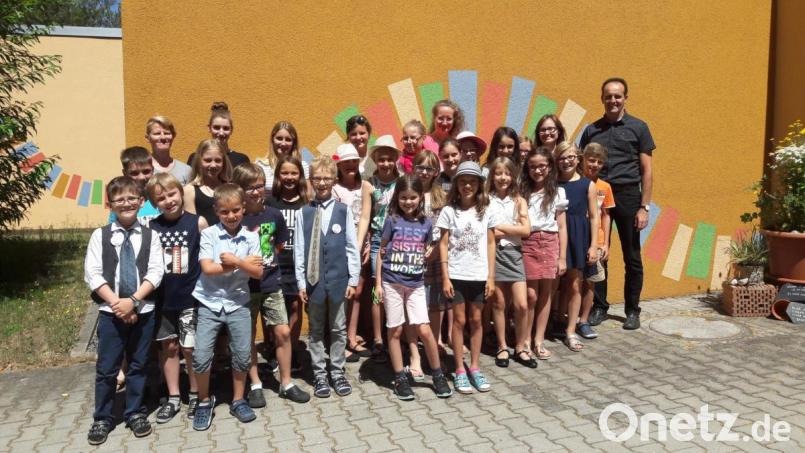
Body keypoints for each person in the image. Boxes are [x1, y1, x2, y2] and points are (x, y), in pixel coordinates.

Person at [84, 176, 164, 445]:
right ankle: (103, 418)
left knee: (139, 365)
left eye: (132, 198)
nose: (126, 203)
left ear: (141, 202)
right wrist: (118, 304)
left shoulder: (151, 235)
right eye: (120, 199)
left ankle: (135, 412)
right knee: (107, 368)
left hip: (143, 309)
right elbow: (93, 274)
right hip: (110, 312)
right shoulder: (101, 235)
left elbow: (155, 271)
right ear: (109, 204)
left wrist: (133, 301)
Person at [579, 77, 655, 330]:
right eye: (608, 96)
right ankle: (600, 307)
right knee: (600, 253)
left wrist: (644, 207)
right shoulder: (592, 130)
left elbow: (647, 170)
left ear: (625, 98)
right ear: (602, 98)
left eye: (618, 96)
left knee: (632, 256)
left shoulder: (639, 127)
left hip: (628, 196)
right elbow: (583, 165)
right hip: (598, 196)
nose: (613, 100)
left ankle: (632, 310)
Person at [234, 164, 310, 405]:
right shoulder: (236, 218)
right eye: (249, 188)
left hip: (271, 284)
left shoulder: (274, 215)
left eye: (258, 186)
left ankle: (286, 382)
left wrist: (268, 265)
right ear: (239, 190)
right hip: (243, 287)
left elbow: (278, 245)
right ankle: (255, 383)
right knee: (247, 336)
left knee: (283, 332)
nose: (256, 192)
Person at [191, 184, 264, 431]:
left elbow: (258, 272)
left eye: (236, 210)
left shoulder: (252, 237)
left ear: (243, 208)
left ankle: (238, 399)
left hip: (238, 302)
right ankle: (203, 401)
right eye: (225, 212)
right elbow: (208, 269)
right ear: (216, 211)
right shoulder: (209, 235)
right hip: (209, 302)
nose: (231, 216)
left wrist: (235, 261)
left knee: (242, 355)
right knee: (201, 356)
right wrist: (242, 264)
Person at [374, 175, 453, 400]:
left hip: (416, 283)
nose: (408, 202)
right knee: (395, 329)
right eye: (404, 198)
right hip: (392, 282)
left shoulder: (426, 223)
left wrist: (431, 251)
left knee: (424, 329)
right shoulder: (391, 220)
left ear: (420, 198)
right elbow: (381, 252)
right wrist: (378, 284)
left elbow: (429, 247)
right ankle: (399, 377)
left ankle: (437, 375)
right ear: (397, 198)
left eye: (413, 198)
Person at [294, 157, 361, 398]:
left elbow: (352, 246)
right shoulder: (305, 212)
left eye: (326, 178)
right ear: (311, 181)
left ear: (334, 180)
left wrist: (353, 279)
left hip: (339, 280)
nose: (322, 183)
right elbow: (299, 248)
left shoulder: (343, 211)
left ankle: (337, 370)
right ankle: (319, 373)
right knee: (316, 328)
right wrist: (301, 282)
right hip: (313, 282)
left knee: (338, 327)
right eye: (317, 178)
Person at [146, 173, 208, 423]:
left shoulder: (198, 223)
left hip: (190, 298)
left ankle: (194, 393)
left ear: (181, 193)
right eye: (161, 198)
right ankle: (173, 396)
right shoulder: (151, 228)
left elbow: (207, 258)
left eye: (172, 194)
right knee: (168, 347)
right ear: (154, 202)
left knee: (190, 348)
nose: (168, 200)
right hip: (162, 299)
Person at [436, 161, 497, 394]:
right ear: (456, 184)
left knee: (477, 320)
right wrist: (445, 277)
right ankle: (459, 369)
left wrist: (491, 277)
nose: (467, 185)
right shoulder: (449, 211)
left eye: (472, 181)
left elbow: (491, 243)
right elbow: (442, 244)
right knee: (459, 321)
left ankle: (475, 367)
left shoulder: (486, 209)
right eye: (463, 181)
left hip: (479, 275)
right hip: (457, 275)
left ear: (479, 184)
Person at [356, 135, 401, 361]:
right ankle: (378, 340)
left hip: (400, 242)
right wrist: (358, 244)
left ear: (395, 159)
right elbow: (365, 216)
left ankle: (397, 334)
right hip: (377, 242)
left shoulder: (403, 181)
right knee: (377, 290)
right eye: (381, 159)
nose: (385, 163)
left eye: (389, 159)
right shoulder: (369, 184)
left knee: (399, 288)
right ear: (375, 159)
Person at [521, 147, 567, 361]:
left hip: (549, 242)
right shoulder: (522, 192)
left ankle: (539, 340)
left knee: (546, 294)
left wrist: (562, 257)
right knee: (530, 296)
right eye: (532, 166)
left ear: (549, 167)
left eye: (542, 166)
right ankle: (526, 339)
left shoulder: (557, 192)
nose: (537, 170)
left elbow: (562, 226)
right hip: (528, 242)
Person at [265, 156, 310, 371]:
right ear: (277, 176)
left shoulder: (306, 202)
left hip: (297, 265)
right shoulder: (270, 202)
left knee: (294, 307)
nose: (289, 177)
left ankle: (291, 351)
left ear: (300, 175)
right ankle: (275, 350)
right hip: (275, 265)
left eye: (294, 173)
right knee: (275, 310)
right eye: (285, 173)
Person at [486, 157, 530, 368]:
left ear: (513, 176)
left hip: (514, 254)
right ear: (492, 176)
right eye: (498, 173)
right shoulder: (486, 199)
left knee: (521, 304)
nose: (502, 178)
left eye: (507, 173)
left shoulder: (519, 200)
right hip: (494, 255)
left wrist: (501, 228)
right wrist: (506, 230)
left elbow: (526, 230)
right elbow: (487, 233)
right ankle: (502, 346)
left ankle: (520, 347)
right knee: (499, 303)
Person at [554, 142, 599, 352]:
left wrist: (594, 245)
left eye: (570, 156)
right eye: (562, 157)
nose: (566, 161)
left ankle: (570, 330)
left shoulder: (587, 184)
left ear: (578, 158)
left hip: (578, 236)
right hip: (554, 235)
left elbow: (594, 217)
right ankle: (550, 324)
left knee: (574, 284)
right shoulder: (551, 184)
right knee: (553, 285)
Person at [331, 143, 373, 361]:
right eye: (345, 162)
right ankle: (338, 340)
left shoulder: (365, 185)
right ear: (339, 165)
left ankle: (351, 337)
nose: (350, 165)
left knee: (358, 292)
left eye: (353, 162)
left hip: (362, 244)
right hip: (340, 247)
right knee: (341, 294)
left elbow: (367, 217)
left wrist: (363, 245)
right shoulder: (335, 188)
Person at [578, 143, 615, 340]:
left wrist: (606, 243)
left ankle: (584, 320)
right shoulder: (575, 182)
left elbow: (606, 215)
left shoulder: (605, 187)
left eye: (599, 162)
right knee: (574, 283)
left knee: (591, 283)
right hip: (577, 239)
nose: (594, 165)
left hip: (597, 240)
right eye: (591, 160)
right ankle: (567, 319)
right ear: (583, 159)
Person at [184, 139, 233, 227]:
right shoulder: (190, 190)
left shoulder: (230, 188)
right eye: (208, 160)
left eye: (218, 160)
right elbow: (191, 226)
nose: (213, 165)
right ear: (199, 161)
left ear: (224, 162)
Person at [186, 102, 249, 168]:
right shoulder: (196, 158)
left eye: (226, 128)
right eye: (216, 127)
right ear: (209, 128)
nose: (221, 133)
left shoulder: (241, 160)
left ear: (231, 130)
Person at [109, 146, 160, 226]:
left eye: (146, 171)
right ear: (125, 173)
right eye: (134, 173)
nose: (141, 177)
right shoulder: (121, 204)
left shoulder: (162, 197)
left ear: (153, 170)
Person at [255, 121, 310, 193]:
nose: (283, 143)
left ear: (294, 143)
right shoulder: (260, 166)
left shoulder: (303, 166)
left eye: (288, 140)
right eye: (279, 138)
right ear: (272, 140)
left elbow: (307, 195)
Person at [146, 116, 192, 185]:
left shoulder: (186, 170)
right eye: (157, 133)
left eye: (167, 133)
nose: (163, 137)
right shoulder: (142, 171)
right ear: (147, 138)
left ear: (173, 137)